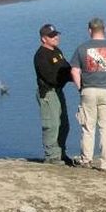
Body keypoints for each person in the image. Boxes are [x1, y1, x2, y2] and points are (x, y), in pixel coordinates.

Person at [70, 17, 106, 171]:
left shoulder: (82, 48)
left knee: (88, 128)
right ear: (105, 29)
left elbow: (74, 70)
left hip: (88, 90)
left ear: (89, 31)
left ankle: (86, 159)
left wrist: (80, 88)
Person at [33, 23, 72, 165]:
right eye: (52, 36)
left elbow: (67, 69)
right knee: (52, 124)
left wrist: (76, 77)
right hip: (48, 93)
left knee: (64, 124)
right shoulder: (40, 55)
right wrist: (65, 77)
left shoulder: (57, 51)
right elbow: (50, 77)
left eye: (56, 34)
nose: (56, 37)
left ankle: (61, 153)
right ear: (44, 39)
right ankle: (51, 156)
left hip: (58, 91)